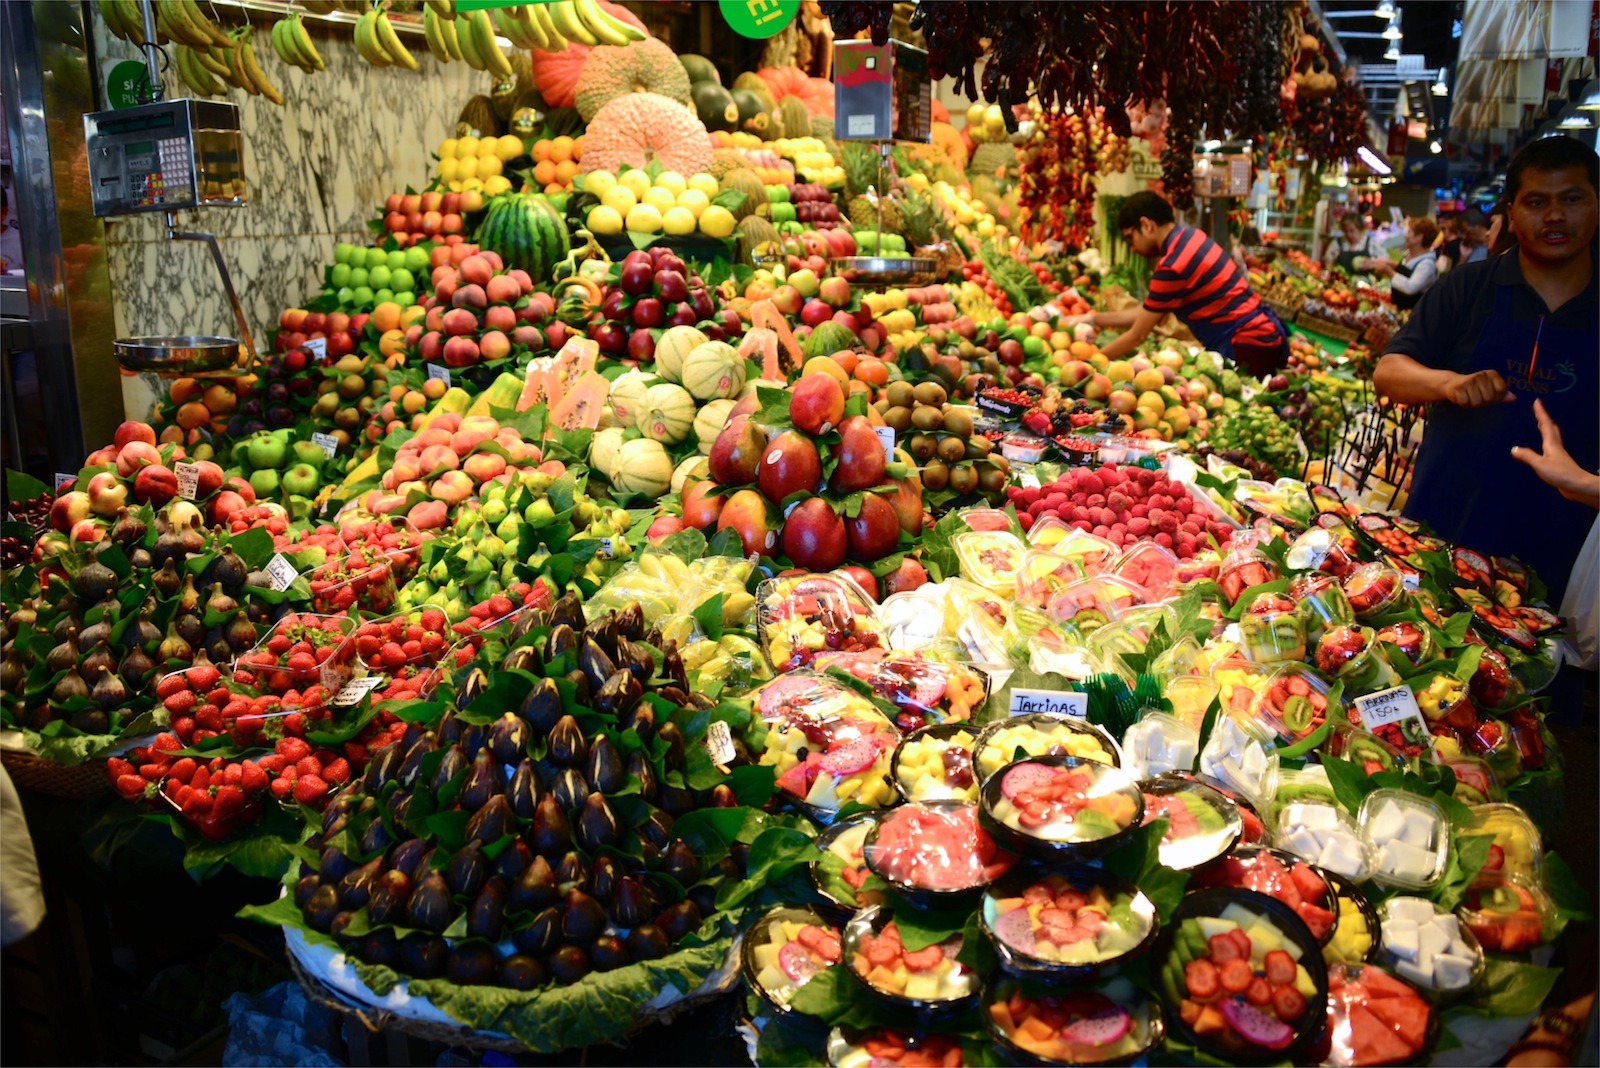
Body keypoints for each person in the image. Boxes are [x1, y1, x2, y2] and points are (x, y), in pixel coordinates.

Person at [1373, 135, 1598, 607]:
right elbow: (1389, 372)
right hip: (1440, 540)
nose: (1554, 215)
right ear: (1512, 213)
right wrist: (1448, 383)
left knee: (1542, 675)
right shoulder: (1466, 288)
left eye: (1572, 199)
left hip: (1562, 557)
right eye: (1536, 202)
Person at [1066, 191, 1289, 374]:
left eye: (1130, 238)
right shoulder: (1192, 237)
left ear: (1146, 225)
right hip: (1263, 336)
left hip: (1247, 343)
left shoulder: (1173, 265)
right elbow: (1146, 312)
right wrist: (1093, 318)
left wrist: (1087, 365)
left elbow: (1138, 334)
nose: (1132, 248)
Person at [1369, 216, 1441, 310]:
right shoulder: (1407, 255)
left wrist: (1390, 272)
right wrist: (1392, 264)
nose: (1405, 236)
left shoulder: (1427, 265)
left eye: (1409, 232)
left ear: (1419, 237)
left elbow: (1410, 287)